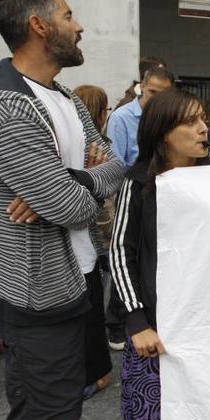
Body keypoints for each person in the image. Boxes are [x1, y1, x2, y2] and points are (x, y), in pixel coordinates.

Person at [0, 0, 125, 420]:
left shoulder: (66, 98)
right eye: (69, 15)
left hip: (80, 279)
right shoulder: (6, 109)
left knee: (66, 404)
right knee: (49, 416)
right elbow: (73, 207)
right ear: (38, 25)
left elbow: (114, 169)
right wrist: (67, 192)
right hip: (38, 297)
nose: (80, 26)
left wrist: (67, 180)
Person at [110, 88, 210, 420]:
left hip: (208, 329)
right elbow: (121, 252)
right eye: (191, 121)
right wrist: (137, 323)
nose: (203, 128)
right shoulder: (138, 183)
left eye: (203, 119)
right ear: (163, 133)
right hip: (157, 333)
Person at [73, 84, 114, 398]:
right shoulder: (83, 147)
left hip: (90, 240)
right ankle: (95, 372)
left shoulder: (100, 147)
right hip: (87, 239)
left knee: (91, 312)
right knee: (88, 312)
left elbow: (111, 177)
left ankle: (98, 374)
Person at [106, 67, 175, 166]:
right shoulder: (121, 117)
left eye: (162, 94)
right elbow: (116, 163)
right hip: (133, 178)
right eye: (152, 92)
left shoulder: (172, 116)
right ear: (142, 87)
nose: (156, 98)